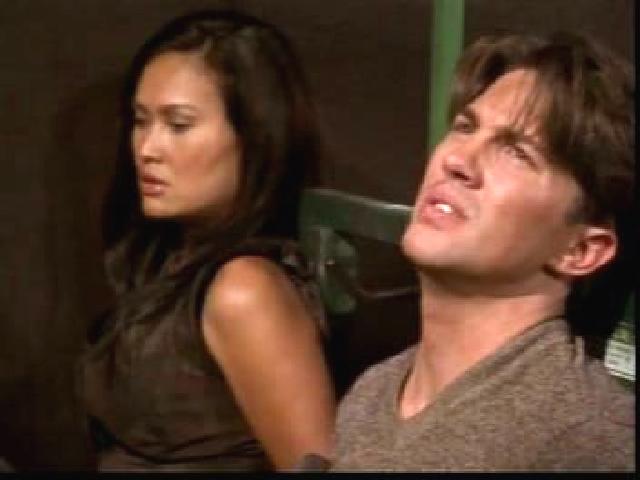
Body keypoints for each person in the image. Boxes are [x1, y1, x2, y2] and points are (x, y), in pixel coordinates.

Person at [330, 32, 635, 471]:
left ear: (581, 250)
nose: (457, 161)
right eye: (465, 127)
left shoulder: (588, 433)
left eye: (516, 152)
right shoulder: (372, 394)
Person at [78, 10, 335, 471]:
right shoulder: (170, 259)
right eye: (140, 121)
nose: (147, 149)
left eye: (178, 125)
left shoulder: (244, 290)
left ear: (254, 138)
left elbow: (315, 464)